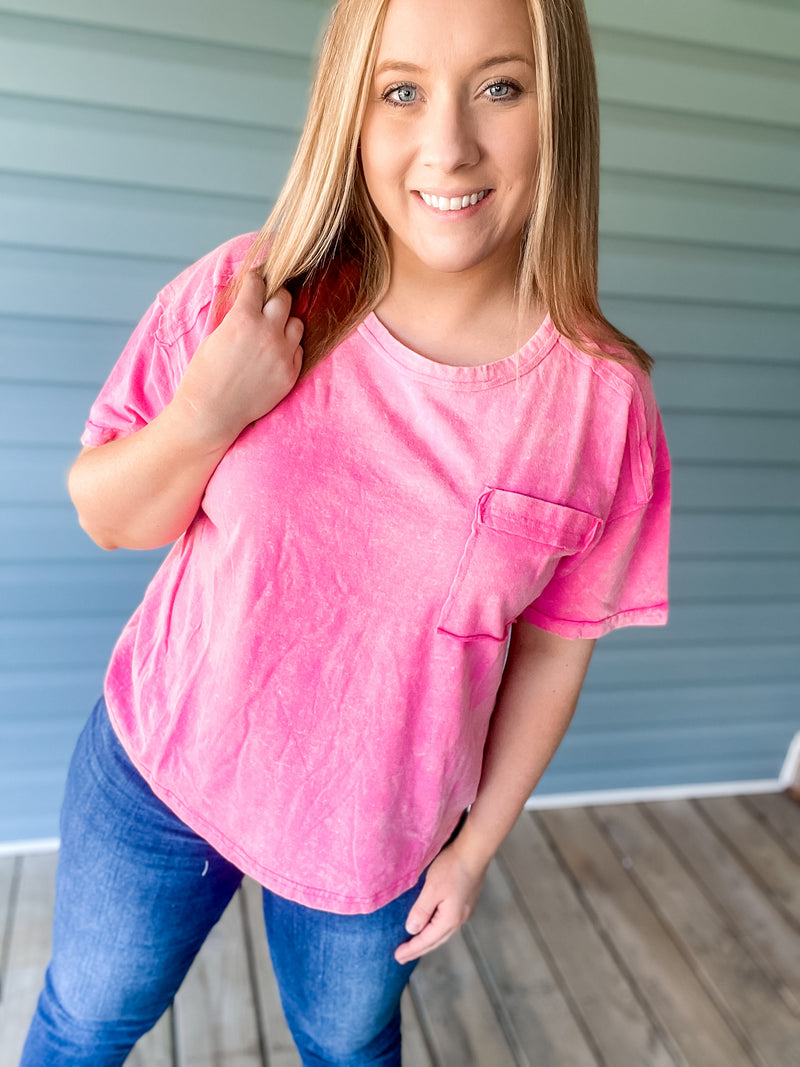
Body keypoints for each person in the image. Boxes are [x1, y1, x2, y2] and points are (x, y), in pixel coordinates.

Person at [21, 0, 670, 1063]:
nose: (447, 144)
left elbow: (555, 646)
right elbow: (106, 514)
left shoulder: (600, 408)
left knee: (347, 1043)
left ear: (560, 108)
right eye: (400, 91)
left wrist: (470, 851)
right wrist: (207, 412)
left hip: (378, 838)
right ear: (350, 112)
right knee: (83, 1023)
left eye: (500, 87)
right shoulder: (254, 292)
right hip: (160, 773)